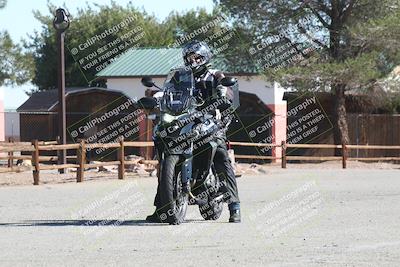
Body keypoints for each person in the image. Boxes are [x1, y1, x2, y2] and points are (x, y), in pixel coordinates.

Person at [146, 40, 241, 223]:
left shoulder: (215, 75)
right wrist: (155, 98)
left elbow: (226, 89)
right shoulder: (179, 76)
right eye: (190, 57)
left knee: (220, 154)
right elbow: (166, 92)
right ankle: (162, 209)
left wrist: (223, 97)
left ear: (205, 58)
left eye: (197, 57)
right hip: (184, 119)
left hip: (212, 121)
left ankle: (234, 206)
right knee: (166, 155)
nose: (193, 60)